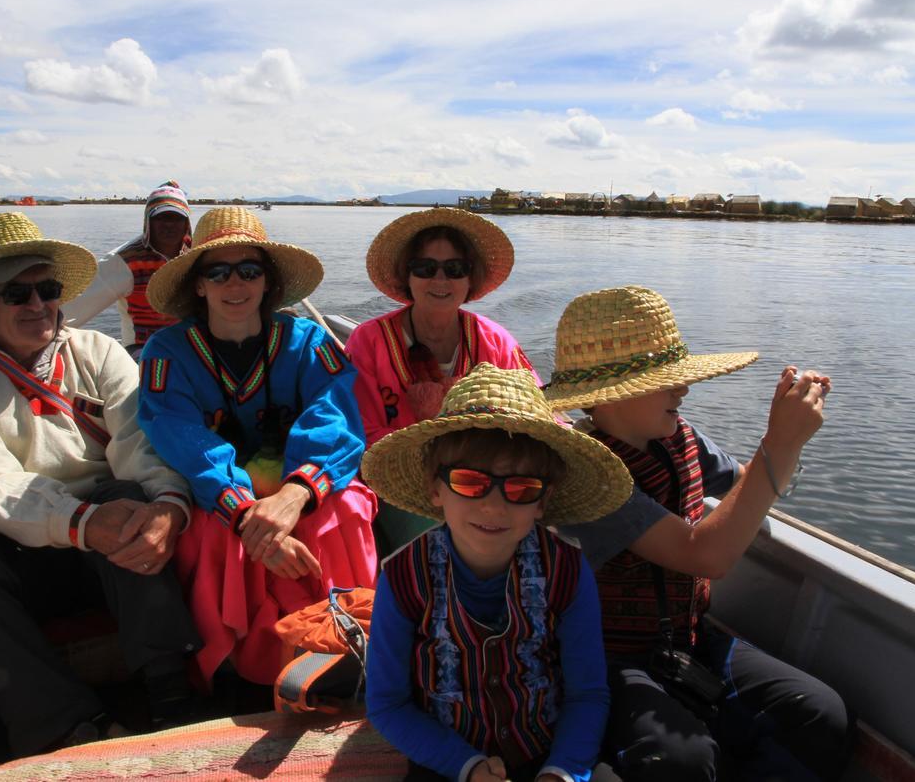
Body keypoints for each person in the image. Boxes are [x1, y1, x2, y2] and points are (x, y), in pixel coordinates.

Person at [0, 211, 202, 758]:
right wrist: (80, 523)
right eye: (16, 293)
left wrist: (169, 504)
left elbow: (141, 442)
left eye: (47, 289)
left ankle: (171, 693)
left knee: (131, 496)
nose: (37, 304)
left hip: (110, 549)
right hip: (21, 550)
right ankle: (70, 724)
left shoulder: (99, 353)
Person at [544, 285, 851, 781]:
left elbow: (748, 483)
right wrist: (780, 440)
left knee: (819, 712)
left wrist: (785, 439)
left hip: (686, 639)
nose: (682, 390)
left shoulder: (679, 436)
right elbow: (705, 555)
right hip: (609, 656)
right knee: (679, 761)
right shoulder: (587, 477)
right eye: (666, 381)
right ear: (609, 398)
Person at [136, 206, 378, 689]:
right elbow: (183, 439)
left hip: (298, 484)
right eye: (217, 272)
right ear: (198, 285)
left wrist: (294, 496)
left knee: (347, 505)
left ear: (268, 282)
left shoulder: (307, 341)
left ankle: (348, 637)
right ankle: (243, 666)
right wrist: (248, 516)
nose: (235, 284)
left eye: (249, 270)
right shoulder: (168, 353)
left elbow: (334, 419)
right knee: (213, 532)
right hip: (223, 496)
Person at [362, 363, 634, 782]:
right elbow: (388, 705)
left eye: (522, 488)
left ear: (543, 502)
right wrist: (467, 768)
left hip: (547, 752)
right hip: (447, 760)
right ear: (436, 490)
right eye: (470, 482)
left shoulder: (567, 570)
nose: (493, 505)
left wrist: (561, 771)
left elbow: (587, 694)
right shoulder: (401, 578)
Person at [345, 208, 537, 554]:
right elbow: (361, 432)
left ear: (469, 279)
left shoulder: (495, 340)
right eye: (425, 268)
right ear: (408, 277)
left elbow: (533, 410)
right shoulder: (368, 341)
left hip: (488, 484)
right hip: (399, 483)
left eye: (455, 269)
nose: (440, 280)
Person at [62, 180, 193, 354]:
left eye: (176, 218)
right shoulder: (126, 261)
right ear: (148, 222)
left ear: (186, 223)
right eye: (160, 217)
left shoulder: (195, 254)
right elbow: (73, 310)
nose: (169, 225)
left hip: (190, 346)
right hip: (143, 350)